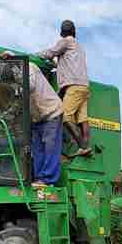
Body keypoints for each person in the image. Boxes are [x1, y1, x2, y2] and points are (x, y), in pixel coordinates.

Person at [0, 53, 63, 187]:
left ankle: (47, 180)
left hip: (51, 112)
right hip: (37, 118)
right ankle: (39, 178)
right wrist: (4, 117)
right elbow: (18, 104)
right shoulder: (18, 83)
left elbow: (31, 85)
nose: (11, 83)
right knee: (37, 149)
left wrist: (13, 63)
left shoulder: (30, 67)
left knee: (50, 147)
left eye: (10, 79)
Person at [37, 20, 90, 154]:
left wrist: (38, 55)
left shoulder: (66, 41)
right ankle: (86, 146)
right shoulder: (80, 47)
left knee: (65, 115)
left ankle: (82, 146)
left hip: (73, 87)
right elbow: (69, 66)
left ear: (62, 32)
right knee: (82, 119)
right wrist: (56, 65)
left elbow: (50, 52)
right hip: (84, 86)